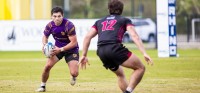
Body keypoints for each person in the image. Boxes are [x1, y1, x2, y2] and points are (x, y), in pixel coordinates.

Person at [79, 0, 153, 93]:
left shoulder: (99, 21)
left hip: (101, 51)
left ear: (109, 9)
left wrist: (84, 55)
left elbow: (87, 37)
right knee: (140, 68)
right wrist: (144, 53)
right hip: (114, 48)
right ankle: (128, 91)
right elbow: (134, 35)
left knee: (120, 74)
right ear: (121, 10)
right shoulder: (124, 20)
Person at [36, 7, 79, 92]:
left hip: (71, 49)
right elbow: (45, 36)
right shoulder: (50, 25)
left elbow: (74, 42)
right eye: (54, 16)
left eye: (59, 16)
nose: (57, 18)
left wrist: (61, 49)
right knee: (47, 66)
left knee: (74, 73)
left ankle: (73, 76)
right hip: (57, 48)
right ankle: (42, 86)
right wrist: (45, 45)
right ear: (51, 17)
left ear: (62, 16)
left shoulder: (69, 25)